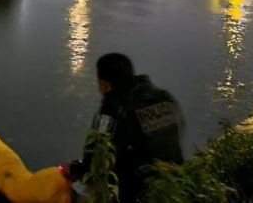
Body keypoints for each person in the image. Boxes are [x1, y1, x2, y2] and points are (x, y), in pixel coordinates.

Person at [64, 53, 184, 202]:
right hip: (176, 186)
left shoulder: (113, 107)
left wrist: (72, 169)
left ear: (104, 84)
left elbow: (95, 161)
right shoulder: (163, 97)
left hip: (140, 194)